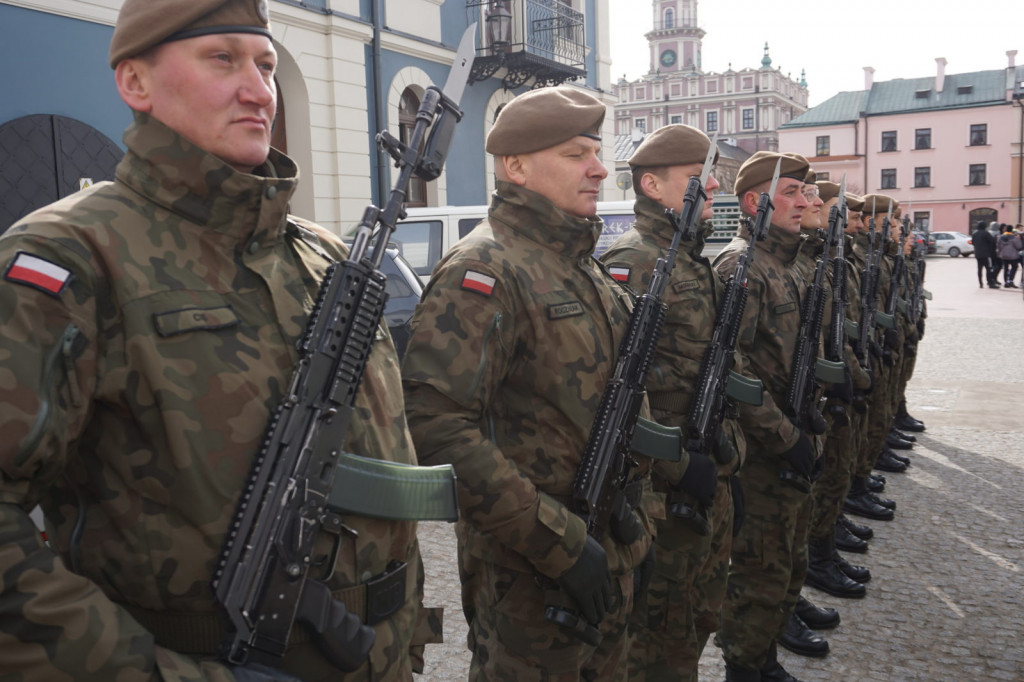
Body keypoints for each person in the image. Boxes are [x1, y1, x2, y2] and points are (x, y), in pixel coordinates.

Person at [0, 1, 439, 680]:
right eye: (222, 59)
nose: (258, 89)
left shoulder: (323, 258)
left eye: (265, 64)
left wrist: (402, 640)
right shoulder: (70, 257)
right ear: (135, 84)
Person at [401, 87, 702, 681]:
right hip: (530, 573)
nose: (599, 168)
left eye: (596, 151)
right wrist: (561, 544)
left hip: (608, 542)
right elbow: (435, 427)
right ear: (515, 166)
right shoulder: (484, 269)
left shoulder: (578, 263)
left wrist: (633, 531)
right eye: (575, 155)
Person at [598, 125, 746, 682]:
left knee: (697, 617)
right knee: (659, 636)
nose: (710, 186)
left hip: (706, 469)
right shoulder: (633, 259)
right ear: (653, 185)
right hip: (663, 486)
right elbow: (620, 389)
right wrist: (677, 466)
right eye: (694, 177)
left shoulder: (691, 257)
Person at [712, 151, 816, 682]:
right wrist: (784, 434)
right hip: (759, 452)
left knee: (788, 560)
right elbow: (732, 369)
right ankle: (746, 667)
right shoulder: (741, 267)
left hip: (789, 436)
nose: (805, 202)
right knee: (758, 570)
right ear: (755, 202)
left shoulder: (782, 264)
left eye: (804, 193)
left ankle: (764, 655)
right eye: (793, 192)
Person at [972, 220, 999, 288]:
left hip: (977, 254)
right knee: (988, 269)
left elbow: (973, 242)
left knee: (979, 269)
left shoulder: (974, 233)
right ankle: (990, 283)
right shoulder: (986, 233)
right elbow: (992, 241)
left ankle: (980, 283)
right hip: (986, 254)